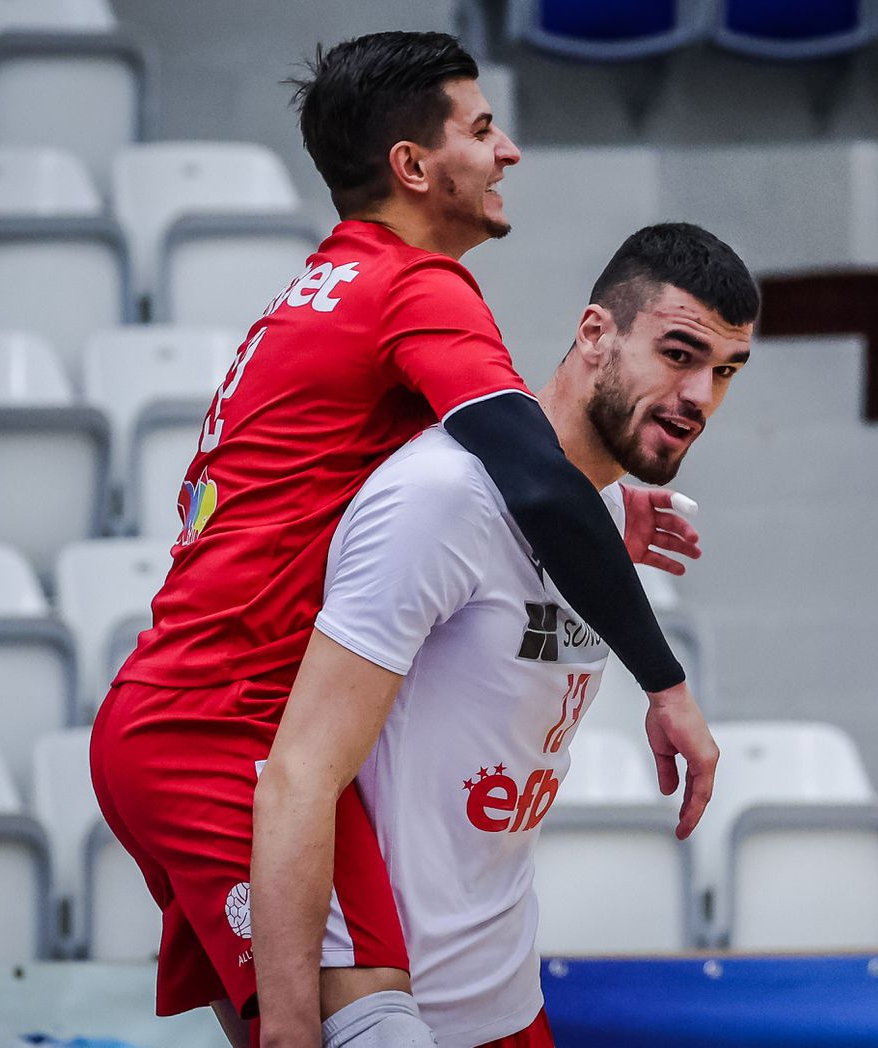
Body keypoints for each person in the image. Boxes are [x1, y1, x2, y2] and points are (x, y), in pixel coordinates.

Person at [89, 32, 719, 1047]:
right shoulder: (415, 287)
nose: (506, 150)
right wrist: (668, 686)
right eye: (480, 128)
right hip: (224, 730)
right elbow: (525, 476)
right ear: (414, 167)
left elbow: (495, 479)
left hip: (171, 714)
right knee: (350, 1033)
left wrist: (597, 501)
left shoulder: (318, 293)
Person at [256, 222, 759, 1047]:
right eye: (679, 354)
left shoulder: (593, 522)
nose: (703, 395)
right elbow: (298, 775)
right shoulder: (441, 497)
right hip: (390, 1004)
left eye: (726, 372)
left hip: (508, 999)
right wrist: (292, 1027)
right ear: (595, 334)